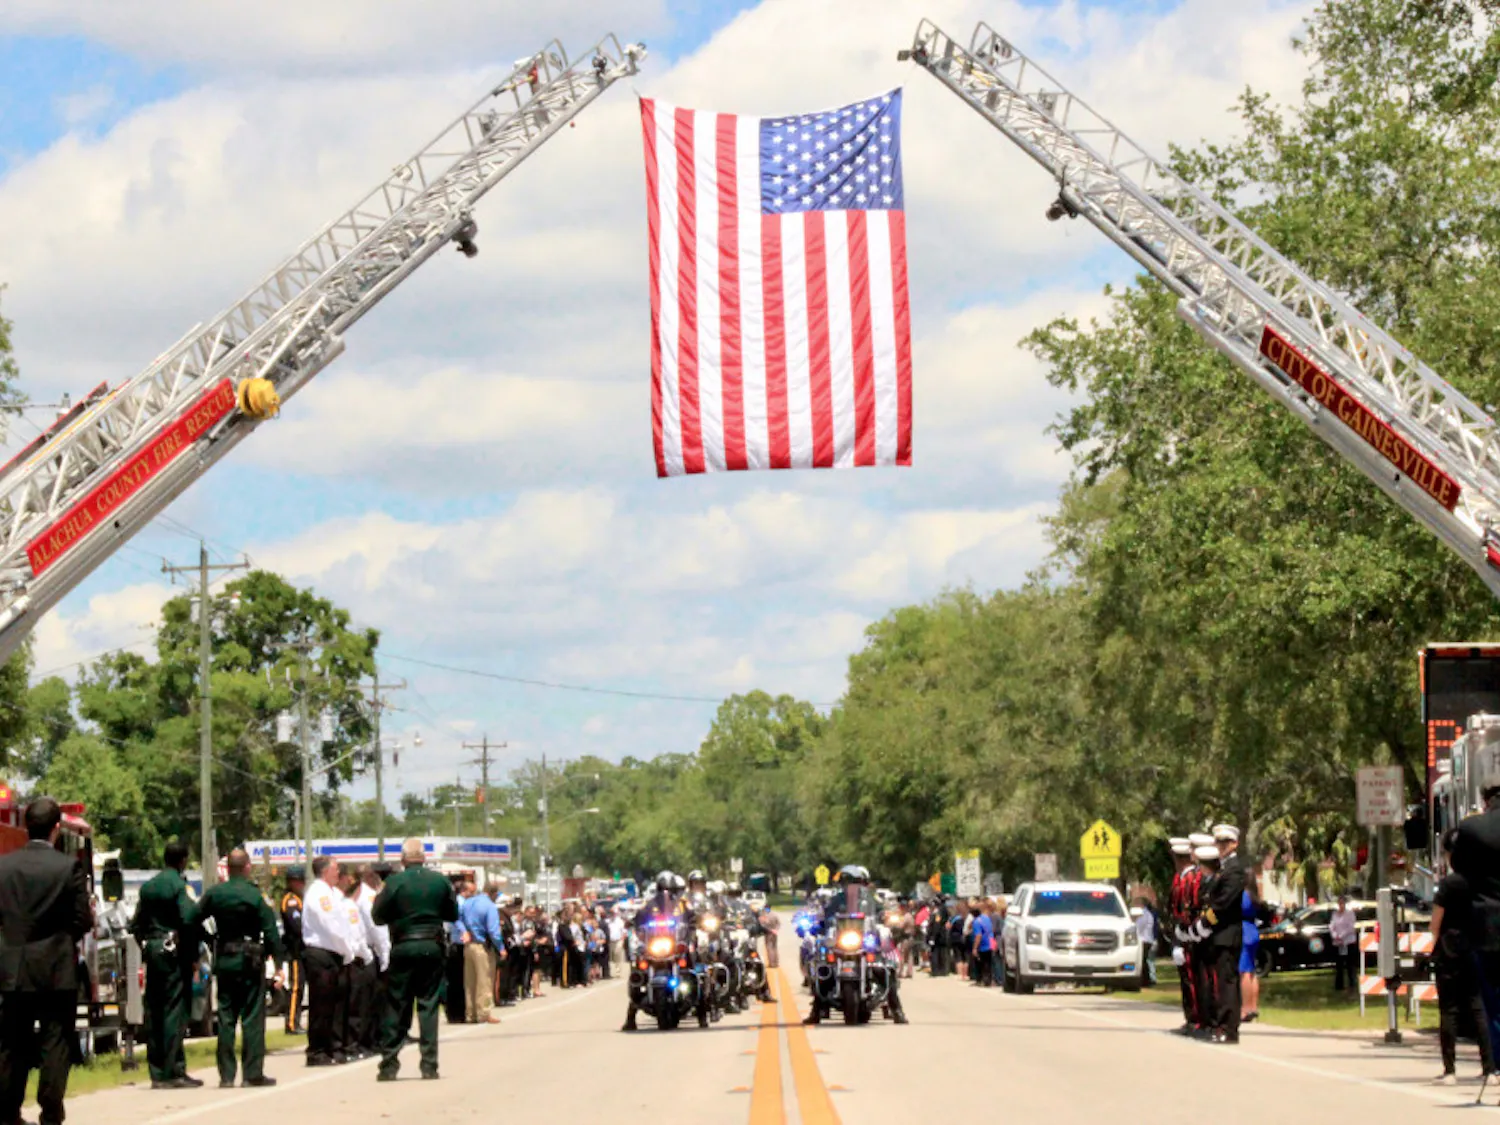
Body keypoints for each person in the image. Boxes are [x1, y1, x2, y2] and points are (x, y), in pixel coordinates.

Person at [0, 796, 92, 1124]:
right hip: (56, 968)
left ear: (27, 827)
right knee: (56, 1040)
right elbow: (84, 920)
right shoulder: (68, 867)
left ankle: (8, 1110)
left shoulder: (4, 867)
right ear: (56, 829)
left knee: (12, 1042)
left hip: (12, 968)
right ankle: (50, 1109)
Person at [194, 847, 285, 1087]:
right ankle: (252, 1073)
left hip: (224, 960)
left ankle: (226, 1076)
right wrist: (278, 963)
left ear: (228, 868)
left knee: (225, 1017)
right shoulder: (255, 896)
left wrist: (208, 939)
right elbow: (271, 931)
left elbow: (191, 919)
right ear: (246, 868)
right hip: (250, 961)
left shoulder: (215, 894)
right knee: (252, 1018)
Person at [373, 837, 460, 1082]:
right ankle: (429, 1064)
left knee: (397, 1004)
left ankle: (389, 1063)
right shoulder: (440, 882)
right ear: (424, 858)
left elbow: (378, 916)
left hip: (403, 944)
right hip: (431, 944)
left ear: (403, 860)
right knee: (428, 1005)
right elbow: (452, 913)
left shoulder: (393, 883)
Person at [130, 840, 204, 1089]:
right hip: (173, 951)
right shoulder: (179, 886)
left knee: (155, 1009)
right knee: (175, 1011)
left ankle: (157, 1071)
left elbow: (136, 925)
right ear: (183, 861)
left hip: (153, 950)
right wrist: (193, 955)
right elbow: (188, 919)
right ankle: (174, 1071)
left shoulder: (148, 887)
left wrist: (147, 945)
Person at [1433, 828, 1494, 1084]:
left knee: (1449, 1009)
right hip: (1474, 946)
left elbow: (1435, 922)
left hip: (1448, 947)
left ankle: (1450, 1070)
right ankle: (1489, 1067)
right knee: (1478, 1007)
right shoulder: (1480, 882)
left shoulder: (1448, 884)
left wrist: (1429, 950)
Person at [301, 856, 354, 1066]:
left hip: (333, 953)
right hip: (321, 953)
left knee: (334, 1005)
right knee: (321, 1006)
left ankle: (333, 1048)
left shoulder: (332, 893)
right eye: (334, 869)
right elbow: (331, 925)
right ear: (324, 872)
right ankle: (317, 1051)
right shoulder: (319, 893)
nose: (338, 873)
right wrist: (347, 949)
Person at [1202, 825, 1245, 1044]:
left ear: (1235, 844)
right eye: (1219, 843)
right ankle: (1221, 1025)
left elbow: (1223, 902)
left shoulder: (1235, 869)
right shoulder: (1223, 868)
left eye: (1226, 843)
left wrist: (1204, 921)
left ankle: (1230, 1028)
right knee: (1221, 982)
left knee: (1227, 983)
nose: (1222, 847)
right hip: (1219, 933)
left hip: (1228, 933)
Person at [339, 867, 376, 1058]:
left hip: (346, 959)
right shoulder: (350, 907)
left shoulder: (340, 904)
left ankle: (350, 1045)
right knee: (357, 1006)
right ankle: (354, 1045)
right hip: (356, 959)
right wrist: (368, 955)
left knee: (349, 1005)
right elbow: (358, 937)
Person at [459, 879, 503, 1024]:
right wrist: (501, 948)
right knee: (484, 981)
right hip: (483, 946)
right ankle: (483, 1013)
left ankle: (470, 1013)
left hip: (468, 945)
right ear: (493, 893)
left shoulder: (468, 902)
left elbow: (457, 918)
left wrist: (464, 931)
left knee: (470, 981)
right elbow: (493, 931)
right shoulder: (490, 906)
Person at [279, 867, 307, 1034]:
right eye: (299, 881)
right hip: (295, 950)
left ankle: (295, 1021)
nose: (301, 884)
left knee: (301, 988)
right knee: (296, 987)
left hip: (302, 950)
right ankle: (291, 1023)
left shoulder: (299, 898)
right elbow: (296, 925)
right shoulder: (290, 900)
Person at [1239, 879, 1261, 1022]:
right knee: (1252, 971)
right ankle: (1253, 1006)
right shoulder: (1254, 895)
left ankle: (1245, 1008)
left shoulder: (1244, 895)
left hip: (1244, 931)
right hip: (1253, 930)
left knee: (1244, 971)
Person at [1330, 894, 1358, 991]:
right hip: (1338, 943)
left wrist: (1342, 936)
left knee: (1350, 965)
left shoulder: (1350, 914)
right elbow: (1332, 926)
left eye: (1342, 903)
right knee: (1339, 965)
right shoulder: (1335, 914)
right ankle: (1339, 985)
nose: (1340, 905)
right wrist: (1335, 935)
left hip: (1348, 941)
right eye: (1339, 903)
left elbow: (1351, 927)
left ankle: (1352, 984)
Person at [971, 900, 995, 987]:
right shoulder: (986, 918)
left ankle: (980, 980)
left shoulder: (976, 922)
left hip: (983, 945)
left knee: (980, 964)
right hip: (991, 943)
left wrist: (975, 948)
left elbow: (978, 935)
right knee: (989, 963)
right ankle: (989, 980)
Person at [1133, 899, 1157, 986]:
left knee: (1143, 961)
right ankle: (1145, 980)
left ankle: (1145, 981)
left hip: (1144, 940)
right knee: (1144, 961)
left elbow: (1138, 927)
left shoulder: (1144, 914)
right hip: (1146, 939)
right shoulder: (1146, 914)